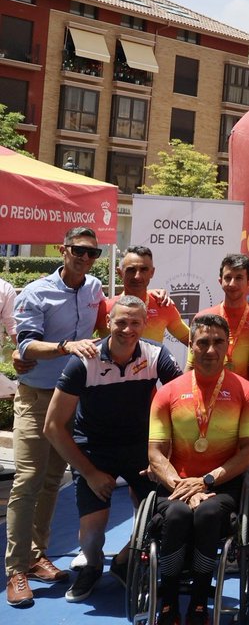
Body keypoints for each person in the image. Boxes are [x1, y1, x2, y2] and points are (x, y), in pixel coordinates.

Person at [43, 295, 182, 602]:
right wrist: (90, 473)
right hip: (95, 450)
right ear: (108, 322)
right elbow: (52, 426)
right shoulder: (83, 360)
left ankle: (122, 561)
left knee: (163, 518)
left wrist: (164, 456)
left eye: (135, 323)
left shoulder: (156, 354)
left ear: (145, 324)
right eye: (121, 321)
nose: (128, 329)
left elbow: (183, 405)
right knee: (92, 536)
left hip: (140, 448)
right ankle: (92, 567)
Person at [8, 227, 107, 607]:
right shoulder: (36, 292)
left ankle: (36, 555)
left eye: (92, 252)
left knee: (53, 480)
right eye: (79, 250)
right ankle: (16, 568)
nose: (85, 258)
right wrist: (65, 347)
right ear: (63, 250)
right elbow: (26, 343)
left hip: (70, 398)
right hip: (37, 395)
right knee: (29, 479)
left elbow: (107, 318)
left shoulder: (94, 287)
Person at [147, 314, 249, 625]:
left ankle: (199, 601)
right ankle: (168, 601)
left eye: (218, 342)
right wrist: (181, 486)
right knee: (178, 515)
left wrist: (207, 481)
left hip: (222, 485)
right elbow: (155, 453)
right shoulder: (168, 391)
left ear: (228, 345)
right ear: (191, 346)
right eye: (203, 342)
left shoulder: (247, 392)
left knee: (209, 513)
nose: (210, 349)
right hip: (176, 486)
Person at [196, 253, 249, 378]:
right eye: (228, 278)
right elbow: (192, 365)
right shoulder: (202, 318)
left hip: (247, 395)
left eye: (239, 278)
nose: (232, 284)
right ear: (220, 281)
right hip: (210, 394)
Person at [104, 246, 190, 345]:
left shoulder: (162, 305)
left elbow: (192, 342)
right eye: (131, 270)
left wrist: (191, 361)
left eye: (144, 270)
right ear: (120, 272)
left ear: (152, 272)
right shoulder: (105, 308)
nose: (137, 276)